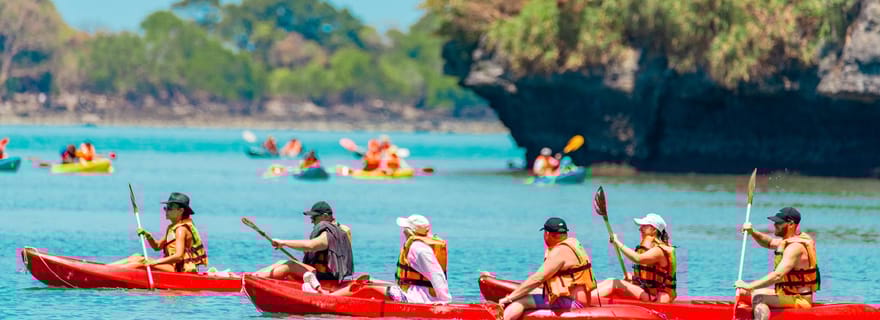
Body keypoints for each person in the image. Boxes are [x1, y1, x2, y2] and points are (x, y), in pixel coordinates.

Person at [497, 217, 597, 320]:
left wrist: (509, 298)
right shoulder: (574, 244)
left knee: (521, 301)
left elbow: (537, 279)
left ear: (547, 234)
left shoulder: (559, 252)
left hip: (572, 303)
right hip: (580, 300)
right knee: (531, 292)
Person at [735, 207, 820, 320]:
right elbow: (769, 242)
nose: (774, 225)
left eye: (779, 223)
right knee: (744, 293)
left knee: (759, 298)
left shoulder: (795, 248)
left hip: (799, 300)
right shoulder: (790, 241)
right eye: (775, 222)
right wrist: (752, 232)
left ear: (791, 224)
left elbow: (777, 276)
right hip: (787, 294)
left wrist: (749, 285)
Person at [258, 201, 353, 291]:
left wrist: (283, 243)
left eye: (314, 218)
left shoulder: (329, 234)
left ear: (325, 216)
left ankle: (256, 280)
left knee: (290, 266)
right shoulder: (336, 231)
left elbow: (311, 246)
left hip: (326, 277)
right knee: (282, 263)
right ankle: (258, 275)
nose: (312, 221)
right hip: (323, 274)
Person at [593, 213, 677, 303]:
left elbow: (637, 258)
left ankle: (585, 301)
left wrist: (617, 242)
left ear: (654, 230)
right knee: (610, 280)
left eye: (644, 226)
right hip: (649, 293)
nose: (640, 229)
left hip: (656, 299)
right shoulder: (653, 247)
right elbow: (649, 278)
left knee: (615, 283)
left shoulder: (659, 250)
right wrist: (633, 279)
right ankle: (587, 296)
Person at [121, 192, 208, 273]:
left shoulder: (180, 230)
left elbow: (179, 256)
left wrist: (155, 262)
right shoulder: (171, 228)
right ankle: (110, 268)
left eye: (170, 208)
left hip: (180, 269)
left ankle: (116, 273)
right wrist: (148, 236)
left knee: (141, 262)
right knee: (136, 256)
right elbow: (157, 247)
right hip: (172, 266)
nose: (166, 211)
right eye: (166, 208)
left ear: (181, 211)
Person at [391, 214, 451, 304]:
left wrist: (444, 300)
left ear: (411, 231)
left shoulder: (419, 249)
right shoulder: (415, 245)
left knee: (372, 290)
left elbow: (436, 274)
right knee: (371, 282)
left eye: (405, 228)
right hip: (409, 293)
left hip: (417, 299)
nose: (403, 231)